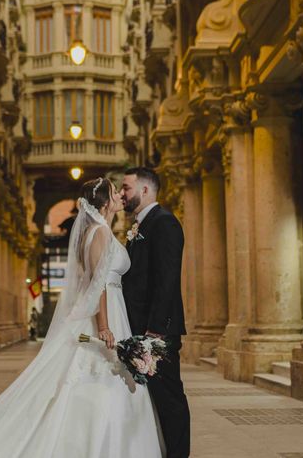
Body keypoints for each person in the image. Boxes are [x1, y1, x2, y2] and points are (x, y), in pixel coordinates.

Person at [0, 177, 163, 458]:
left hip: (114, 310)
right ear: (105, 201)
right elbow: (98, 285)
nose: (121, 196)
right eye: (115, 192)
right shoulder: (99, 232)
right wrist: (105, 327)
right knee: (97, 382)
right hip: (106, 315)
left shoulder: (99, 231)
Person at [120, 166, 191, 458]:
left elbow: (167, 279)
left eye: (126, 188)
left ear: (145, 190)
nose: (122, 194)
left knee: (169, 398)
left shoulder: (164, 223)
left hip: (157, 331)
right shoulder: (142, 226)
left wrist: (156, 330)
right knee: (153, 398)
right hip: (139, 329)